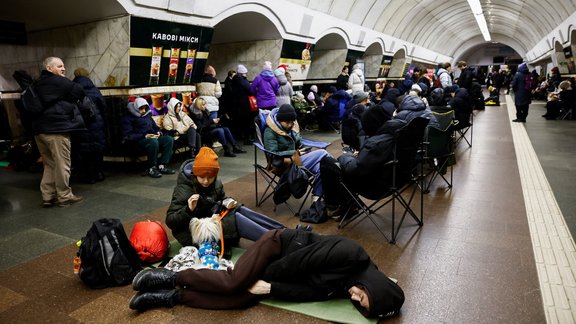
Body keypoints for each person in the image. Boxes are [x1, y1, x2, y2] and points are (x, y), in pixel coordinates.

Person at [129, 228, 405, 320]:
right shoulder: (351, 254)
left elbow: (309, 293)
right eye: (363, 296)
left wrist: (270, 289)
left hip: (282, 271)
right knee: (236, 282)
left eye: (359, 304)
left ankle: (171, 297)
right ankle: (170, 277)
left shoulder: (350, 285)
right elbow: (298, 263)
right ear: (375, 286)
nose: (355, 297)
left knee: (241, 298)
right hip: (278, 247)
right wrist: (263, 280)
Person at [165, 147, 285, 248]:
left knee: (238, 209)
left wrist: (227, 201)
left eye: (210, 177)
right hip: (194, 232)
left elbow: (220, 198)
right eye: (202, 177)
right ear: (195, 174)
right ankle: (278, 242)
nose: (206, 181)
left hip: (211, 217)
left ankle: (284, 232)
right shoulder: (184, 189)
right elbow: (170, 221)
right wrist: (188, 209)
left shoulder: (216, 182)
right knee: (234, 218)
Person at [322, 105, 407, 215]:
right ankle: (347, 204)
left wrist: (347, 155)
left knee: (327, 163)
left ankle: (334, 207)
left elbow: (355, 169)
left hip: (373, 186)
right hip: (397, 179)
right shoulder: (400, 131)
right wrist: (362, 155)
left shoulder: (376, 143)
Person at [32, 57, 86, 207]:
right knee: (63, 164)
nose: (64, 69)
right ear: (49, 68)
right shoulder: (58, 81)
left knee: (49, 164)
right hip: (56, 130)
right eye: (60, 66)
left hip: (39, 131)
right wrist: (67, 100)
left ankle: (47, 196)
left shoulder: (36, 83)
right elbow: (79, 91)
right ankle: (64, 196)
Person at [263, 104, 331, 199]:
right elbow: (272, 153)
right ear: (279, 120)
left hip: (297, 159)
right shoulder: (269, 132)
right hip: (285, 164)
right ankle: (340, 172)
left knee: (323, 168)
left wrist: (305, 149)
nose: (291, 125)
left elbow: (299, 143)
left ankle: (316, 197)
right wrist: (294, 152)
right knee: (323, 153)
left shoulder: (291, 128)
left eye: (292, 122)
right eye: (287, 122)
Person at [121, 97, 176, 178]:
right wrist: (144, 136)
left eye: (145, 108)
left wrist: (158, 132)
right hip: (139, 140)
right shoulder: (128, 118)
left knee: (168, 139)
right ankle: (152, 168)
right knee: (153, 142)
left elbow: (155, 127)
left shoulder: (147, 115)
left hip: (151, 137)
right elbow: (128, 135)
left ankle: (162, 165)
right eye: (141, 109)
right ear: (136, 107)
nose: (143, 111)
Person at [72, 67, 107, 184]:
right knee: (97, 149)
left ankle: (89, 176)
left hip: (81, 124)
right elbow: (103, 106)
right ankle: (99, 173)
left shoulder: (72, 89)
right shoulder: (94, 89)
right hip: (96, 123)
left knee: (85, 151)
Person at [230, 64, 256, 144]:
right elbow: (250, 90)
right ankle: (247, 139)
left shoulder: (233, 80)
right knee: (247, 121)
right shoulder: (243, 81)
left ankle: (238, 137)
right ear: (243, 73)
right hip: (244, 104)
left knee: (239, 121)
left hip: (236, 104)